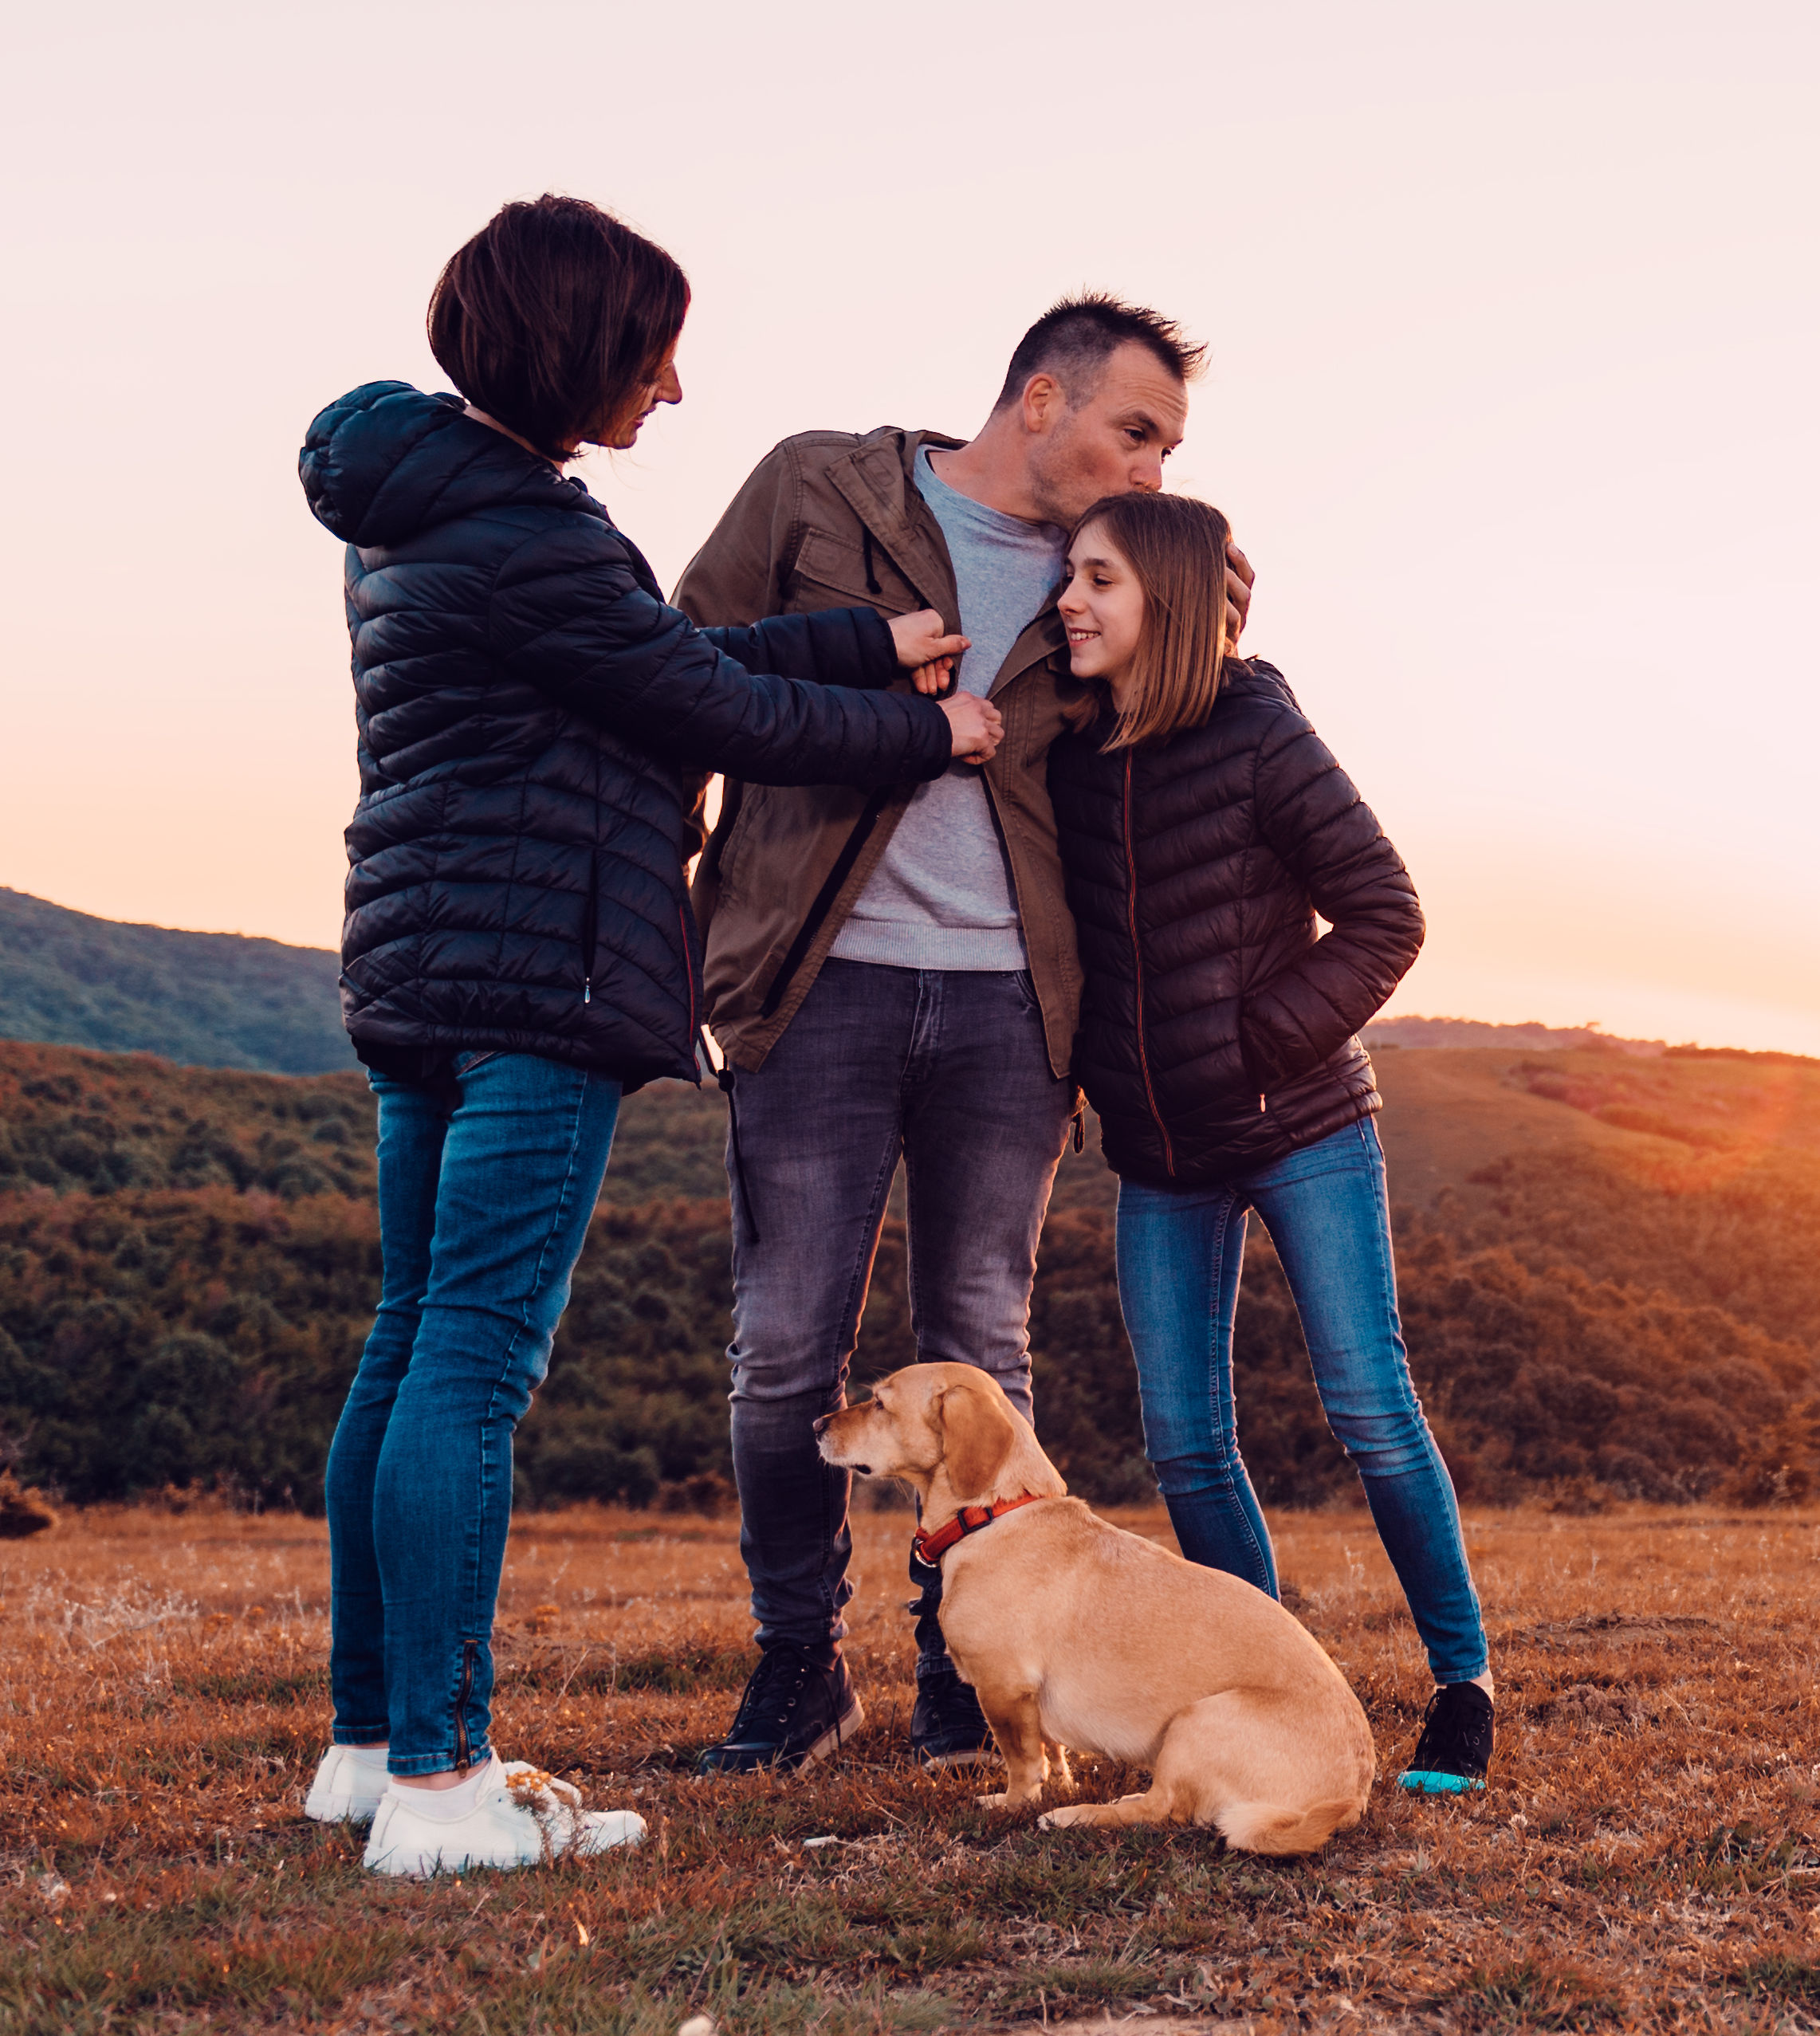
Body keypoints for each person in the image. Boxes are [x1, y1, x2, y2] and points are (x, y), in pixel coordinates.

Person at [293, 194, 1004, 1876]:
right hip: (538, 977)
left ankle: (364, 1749)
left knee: (407, 1340)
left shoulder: (418, 509)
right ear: (581, 347)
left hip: (419, 971)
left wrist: (855, 637)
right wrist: (932, 730)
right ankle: (448, 1790)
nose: (673, 387)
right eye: (655, 350)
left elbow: (651, 658)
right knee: (471, 1361)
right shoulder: (531, 530)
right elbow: (711, 708)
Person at [674, 297, 1253, 1774]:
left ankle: (962, 1665)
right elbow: (674, 680)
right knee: (790, 1348)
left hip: (1012, 1007)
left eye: (1172, 451)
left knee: (983, 1353)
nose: (1153, 472)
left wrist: (1202, 605)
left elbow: (1168, 737)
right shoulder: (823, 487)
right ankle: (798, 1669)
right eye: (1138, 433)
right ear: (1041, 399)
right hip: (820, 983)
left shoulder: (1105, 572)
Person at [1044, 489, 1496, 1795]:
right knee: (1184, 1436)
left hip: (1301, 1123)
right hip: (1160, 1156)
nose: (1069, 600)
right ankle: (1270, 1682)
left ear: (1170, 602)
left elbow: (1386, 914)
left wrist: (1248, 1047)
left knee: (1369, 1405)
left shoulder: (1256, 730)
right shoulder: (1073, 762)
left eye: (1100, 580)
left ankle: (1462, 1681)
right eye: (1071, 576)